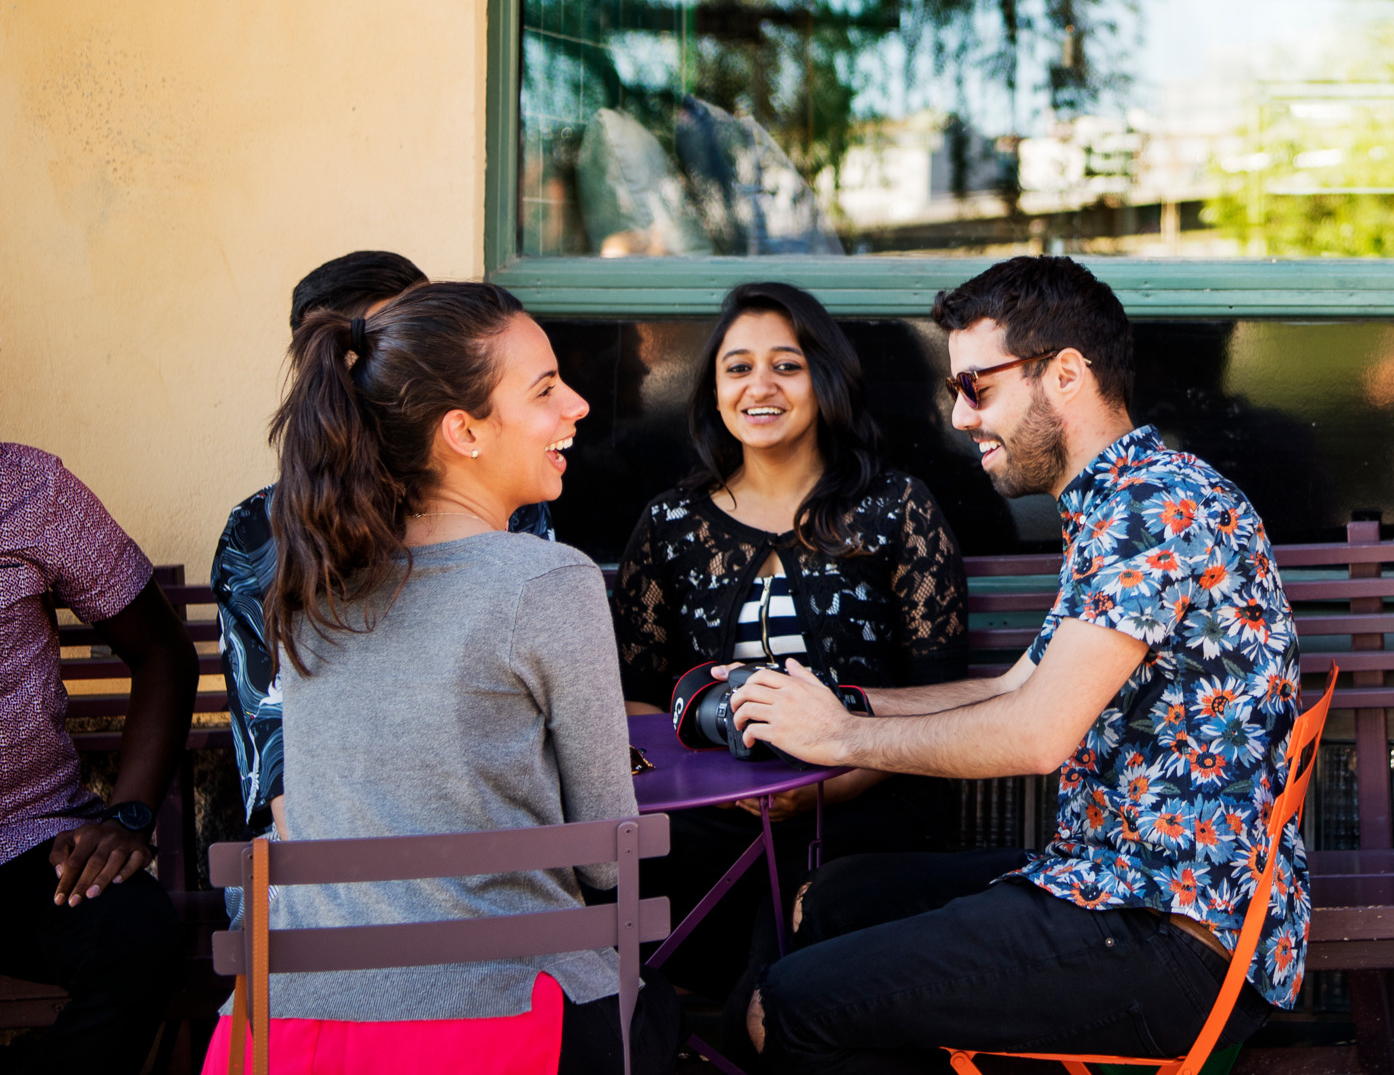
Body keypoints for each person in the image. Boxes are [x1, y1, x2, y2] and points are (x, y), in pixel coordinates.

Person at [717, 256, 1307, 1074]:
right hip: (1112, 881)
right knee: (830, 897)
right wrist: (838, 702)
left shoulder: (1151, 508)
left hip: (1169, 933)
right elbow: (1015, 685)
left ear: (1065, 375)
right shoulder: (1122, 499)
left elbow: (1036, 734)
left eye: (977, 387)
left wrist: (841, 737)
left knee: (784, 1008)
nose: (960, 415)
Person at [212, 280, 677, 1074]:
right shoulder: (547, 580)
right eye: (544, 389)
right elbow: (608, 857)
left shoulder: (309, 582)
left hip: (284, 1034)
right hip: (497, 1027)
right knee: (659, 1007)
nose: (578, 404)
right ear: (463, 430)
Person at [612, 281, 964, 998]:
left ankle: (764, 1021)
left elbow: (942, 697)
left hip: (865, 803)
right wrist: (711, 788)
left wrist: (837, 776)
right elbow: (636, 702)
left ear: (825, 379)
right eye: (738, 367)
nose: (760, 386)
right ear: (714, 390)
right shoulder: (670, 524)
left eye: (787, 365)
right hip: (709, 820)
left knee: (826, 902)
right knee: (641, 871)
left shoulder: (896, 508)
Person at [211, 250, 555, 838]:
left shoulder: (513, 505)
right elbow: (281, 776)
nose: (392, 369)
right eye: (374, 354)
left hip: (488, 840)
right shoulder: (261, 533)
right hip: (324, 860)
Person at [0, 447, 197, 1075]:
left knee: (135, 940)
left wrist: (128, 815)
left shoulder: (29, 488)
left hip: (27, 839)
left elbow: (163, 653)